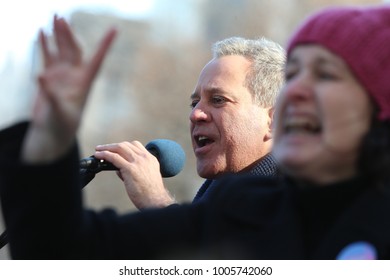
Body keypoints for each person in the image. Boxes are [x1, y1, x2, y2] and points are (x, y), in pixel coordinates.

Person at [1, 4, 390, 259]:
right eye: (294, 74)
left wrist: (157, 201)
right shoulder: (243, 209)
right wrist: (50, 140)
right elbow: (55, 252)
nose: (197, 115)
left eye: (324, 74)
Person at [93, 37, 285, 209]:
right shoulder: (215, 199)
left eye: (218, 100)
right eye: (194, 103)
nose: (195, 114)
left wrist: (157, 202)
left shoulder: (301, 200)